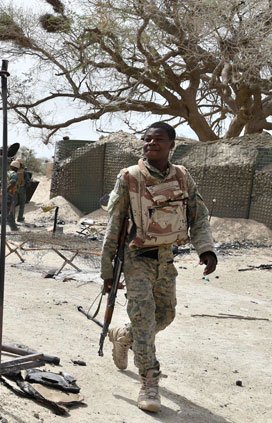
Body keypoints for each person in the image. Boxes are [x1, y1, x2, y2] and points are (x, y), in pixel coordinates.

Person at [100, 121, 217, 413]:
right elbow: (114, 226)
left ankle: (123, 336)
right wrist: (107, 272)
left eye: (158, 140)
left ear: (171, 145)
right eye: (147, 140)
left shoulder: (182, 177)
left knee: (164, 315)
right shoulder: (129, 177)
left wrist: (206, 249)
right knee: (144, 318)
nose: (151, 144)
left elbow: (198, 216)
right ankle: (149, 381)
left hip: (165, 257)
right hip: (136, 258)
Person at [0, 160, 21, 231]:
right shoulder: (14, 174)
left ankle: (14, 228)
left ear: (11, 166)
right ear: (17, 168)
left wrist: (1, 191)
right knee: (6, 211)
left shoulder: (6, 173)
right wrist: (6, 190)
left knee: (9, 212)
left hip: (4, 193)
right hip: (9, 194)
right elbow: (13, 182)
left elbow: (0, 183)